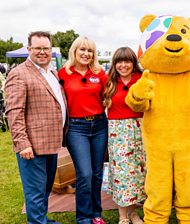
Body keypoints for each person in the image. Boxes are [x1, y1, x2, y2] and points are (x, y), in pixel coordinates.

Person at [5, 31, 67, 224]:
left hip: (51, 143)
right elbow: (14, 112)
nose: (42, 52)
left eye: (46, 48)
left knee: (46, 188)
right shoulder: (19, 73)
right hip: (32, 146)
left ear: (51, 50)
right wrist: (22, 143)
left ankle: (42, 219)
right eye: (38, 48)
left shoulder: (52, 73)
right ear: (29, 49)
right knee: (35, 192)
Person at [58, 36, 108, 224]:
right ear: (74, 51)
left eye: (90, 51)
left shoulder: (100, 73)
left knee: (96, 173)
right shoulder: (63, 73)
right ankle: (83, 217)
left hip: (99, 125)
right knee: (84, 173)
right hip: (76, 128)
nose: (86, 54)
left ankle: (96, 214)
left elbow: (110, 94)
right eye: (83, 50)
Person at [103, 47, 146, 224]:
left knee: (138, 173)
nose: (123, 65)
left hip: (140, 130)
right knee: (122, 174)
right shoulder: (110, 82)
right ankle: (122, 216)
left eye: (127, 61)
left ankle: (134, 213)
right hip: (118, 132)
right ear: (115, 64)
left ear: (133, 63)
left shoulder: (142, 80)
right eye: (119, 61)